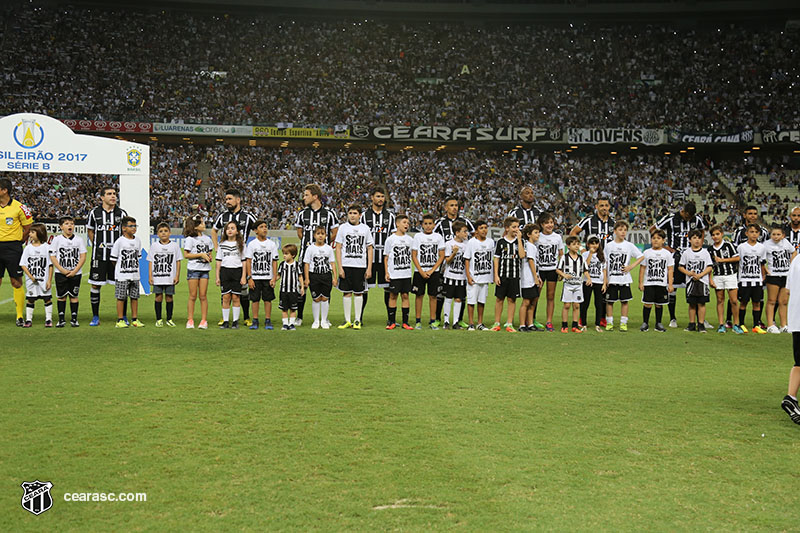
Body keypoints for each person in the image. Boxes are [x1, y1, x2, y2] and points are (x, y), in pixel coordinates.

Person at [652, 202, 707, 328]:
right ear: (683, 211)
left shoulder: (696, 219)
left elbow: (702, 230)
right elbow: (653, 229)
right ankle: (673, 318)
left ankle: (700, 320)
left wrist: (700, 244)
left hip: (692, 257)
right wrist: (665, 247)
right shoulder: (671, 219)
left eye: (690, 217)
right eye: (687, 216)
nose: (688, 219)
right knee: (673, 287)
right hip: (675, 257)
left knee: (696, 287)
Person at [295, 184, 339, 327]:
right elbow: (300, 232)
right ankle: (299, 317)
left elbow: (335, 232)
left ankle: (324, 318)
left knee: (325, 285)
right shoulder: (302, 214)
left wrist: (324, 244)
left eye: (306, 195)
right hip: (305, 256)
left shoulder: (329, 214)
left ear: (315, 196)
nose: (304, 197)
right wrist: (309, 245)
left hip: (323, 257)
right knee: (302, 285)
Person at [211, 189, 257, 326]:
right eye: (226, 199)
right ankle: (224, 317)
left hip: (241, 257)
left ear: (238, 200)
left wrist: (253, 247)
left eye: (230, 199)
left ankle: (246, 317)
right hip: (227, 257)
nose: (227, 202)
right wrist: (216, 247)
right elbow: (214, 230)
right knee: (225, 291)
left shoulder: (248, 216)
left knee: (242, 290)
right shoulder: (223, 216)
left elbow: (258, 228)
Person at [87, 186, 128, 327]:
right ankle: (95, 316)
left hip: (117, 258)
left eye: (114, 194)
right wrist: (98, 245)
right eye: (109, 194)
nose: (113, 196)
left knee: (122, 285)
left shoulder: (122, 214)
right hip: (99, 256)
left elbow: (126, 233)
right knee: (95, 285)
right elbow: (91, 232)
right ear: (102, 197)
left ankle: (123, 316)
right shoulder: (94, 213)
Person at [434, 196, 475, 324]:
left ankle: (459, 319)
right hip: (446, 263)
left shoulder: (465, 221)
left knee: (461, 293)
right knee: (441, 292)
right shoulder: (441, 222)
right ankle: (438, 318)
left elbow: (473, 235)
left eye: (456, 205)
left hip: (462, 264)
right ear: (446, 208)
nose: (454, 208)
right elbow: (434, 237)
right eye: (451, 205)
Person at [360, 187, 396, 323]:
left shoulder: (390, 217)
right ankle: (359, 317)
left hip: (384, 259)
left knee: (388, 289)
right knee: (364, 289)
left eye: (382, 196)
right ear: (372, 198)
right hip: (367, 259)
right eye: (378, 196)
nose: (380, 199)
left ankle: (390, 319)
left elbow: (393, 238)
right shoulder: (364, 216)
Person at [335, 205, 374, 330]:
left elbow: (369, 248)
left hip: (360, 266)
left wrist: (369, 268)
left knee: (359, 293)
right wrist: (340, 267)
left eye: (355, 213)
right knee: (346, 293)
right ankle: (347, 320)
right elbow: (338, 247)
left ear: (360, 215)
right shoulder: (342, 228)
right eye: (350, 213)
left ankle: (357, 320)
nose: (352, 215)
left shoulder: (365, 229)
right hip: (346, 265)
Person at [0, 177, 33, 326]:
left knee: (16, 281)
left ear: (4, 190)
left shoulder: (20, 207)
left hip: (13, 248)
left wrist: (18, 241)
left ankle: (19, 316)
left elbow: (28, 227)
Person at [603, 220, 644, 332]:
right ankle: (610, 322)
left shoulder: (629, 245)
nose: (623, 232)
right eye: (620, 230)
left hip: (624, 279)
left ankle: (623, 323)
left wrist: (631, 266)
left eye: (625, 230)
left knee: (625, 301)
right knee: (610, 301)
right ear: (615, 231)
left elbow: (641, 257)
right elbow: (605, 263)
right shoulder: (608, 246)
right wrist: (605, 279)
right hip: (612, 279)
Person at [49, 216, 86, 328]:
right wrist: (62, 270)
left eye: (71, 223)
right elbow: (52, 256)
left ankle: (74, 319)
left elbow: (83, 256)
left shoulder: (79, 240)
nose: (70, 225)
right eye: (66, 223)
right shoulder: (56, 240)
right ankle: (61, 319)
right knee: (61, 296)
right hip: (61, 273)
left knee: (74, 296)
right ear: (61, 227)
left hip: (76, 273)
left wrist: (75, 270)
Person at [707, 225, 743, 334]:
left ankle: (736, 324)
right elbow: (709, 266)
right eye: (713, 235)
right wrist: (710, 279)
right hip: (717, 276)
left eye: (717, 234)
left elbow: (737, 258)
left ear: (722, 234)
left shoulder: (728, 245)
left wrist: (723, 260)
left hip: (730, 275)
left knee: (733, 300)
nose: (715, 237)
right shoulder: (710, 249)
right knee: (720, 300)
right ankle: (721, 324)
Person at [412, 213, 445, 329]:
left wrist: (432, 270)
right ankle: (418, 321)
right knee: (419, 295)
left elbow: (441, 256)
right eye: (425, 224)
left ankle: (432, 320)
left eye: (430, 224)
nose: (428, 226)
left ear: (434, 225)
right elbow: (414, 255)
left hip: (434, 272)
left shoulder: (438, 237)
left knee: (433, 296)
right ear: (422, 225)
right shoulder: (417, 237)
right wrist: (421, 271)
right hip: (419, 272)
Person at [109, 216, 144, 328]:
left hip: (135, 274)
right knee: (121, 297)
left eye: (135, 226)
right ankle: (120, 320)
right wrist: (121, 269)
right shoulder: (119, 241)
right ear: (124, 228)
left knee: (134, 297)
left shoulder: (137, 240)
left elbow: (138, 256)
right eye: (131, 226)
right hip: (122, 275)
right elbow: (113, 259)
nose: (134, 228)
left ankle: (134, 319)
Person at [492, 216, 524, 332]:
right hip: (502, 275)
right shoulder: (501, 242)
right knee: (499, 299)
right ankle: (497, 323)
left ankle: (509, 323)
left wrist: (520, 240)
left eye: (518, 227)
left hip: (514, 276)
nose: (516, 229)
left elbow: (521, 255)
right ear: (507, 228)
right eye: (514, 227)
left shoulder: (520, 241)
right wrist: (495, 275)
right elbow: (496, 259)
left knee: (512, 300)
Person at [245, 220, 279, 330]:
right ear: (255, 230)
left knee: (267, 299)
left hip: (267, 277)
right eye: (261, 227)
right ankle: (255, 320)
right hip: (255, 277)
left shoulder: (271, 244)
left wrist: (274, 277)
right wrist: (249, 277)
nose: (264, 229)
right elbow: (248, 261)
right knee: (255, 299)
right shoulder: (252, 244)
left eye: (265, 226)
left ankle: (267, 320)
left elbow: (274, 261)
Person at [678, 229, 714, 333]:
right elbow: (681, 266)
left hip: (703, 282)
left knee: (702, 303)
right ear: (689, 240)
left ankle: (701, 324)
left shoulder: (705, 252)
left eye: (699, 238)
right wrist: (688, 273)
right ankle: (692, 324)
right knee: (692, 304)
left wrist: (700, 275)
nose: (697, 240)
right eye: (694, 238)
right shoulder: (686, 253)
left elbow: (710, 267)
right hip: (691, 282)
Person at [638, 229, 673, 333]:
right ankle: (645, 323)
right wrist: (641, 282)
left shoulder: (667, 253)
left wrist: (670, 284)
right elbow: (643, 268)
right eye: (654, 238)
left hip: (661, 283)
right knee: (647, 303)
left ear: (663, 240)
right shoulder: (646, 252)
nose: (656, 240)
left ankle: (658, 323)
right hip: (649, 282)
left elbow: (670, 269)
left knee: (659, 304)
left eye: (658, 238)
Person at [383, 214, 414, 330]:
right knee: (393, 295)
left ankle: (405, 322)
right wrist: (386, 272)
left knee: (405, 295)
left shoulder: (410, 240)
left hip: (406, 273)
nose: (407, 225)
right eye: (404, 222)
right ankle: (392, 322)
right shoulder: (390, 239)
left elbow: (413, 256)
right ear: (397, 224)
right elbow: (386, 257)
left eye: (408, 223)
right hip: (394, 273)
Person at [19, 223, 53, 327]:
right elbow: (23, 264)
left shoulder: (47, 247)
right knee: (30, 299)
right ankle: (29, 320)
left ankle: (48, 319)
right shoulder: (28, 248)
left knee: (47, 298)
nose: (30, 234)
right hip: (31, 280)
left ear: (40, 233)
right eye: (30, 232)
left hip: (44, 279)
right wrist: (30, 276)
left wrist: (49, 280)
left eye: (32, 232)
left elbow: (51, 265)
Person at [764, 224, 796, 333]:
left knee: (784, 301)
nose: (776, 236)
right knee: (772, 300)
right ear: (770, 235)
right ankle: (770, 325)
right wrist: (765, 269)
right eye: (773, 234)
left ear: (783, 235)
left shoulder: (786, 243)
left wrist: (791, 265)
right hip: (773, 275)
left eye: (778, 234)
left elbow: (794, 252)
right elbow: (761, 258)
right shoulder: (766, 245)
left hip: (785, 275)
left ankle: (784, 325)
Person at [303, 226, 337, 330]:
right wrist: (307, 278)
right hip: (314, 275)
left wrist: (335, 277)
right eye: (318, 234)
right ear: (314, 236)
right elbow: (307, 264)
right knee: (316, 298)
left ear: (326, 236)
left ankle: (324, 320)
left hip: (326, 275)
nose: (320, 236)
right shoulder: (310, 248)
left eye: (322, 234)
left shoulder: (329, 248)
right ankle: (316, 320)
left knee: (325, 298)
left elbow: (332, 263)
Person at [737, 223, 768, 334]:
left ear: (759, 234)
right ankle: (741, 324)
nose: (754, 234)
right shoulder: (741, 247)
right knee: (743, 302)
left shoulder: (762, 247)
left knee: (757, 303)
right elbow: (737, 262)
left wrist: (763, 276)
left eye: (756, 232)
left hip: (757, 280)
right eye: (751, 232)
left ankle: (756, 325)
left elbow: (762, 263)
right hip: (744, 279)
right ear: (746, 233)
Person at [148, 222, 181, 328]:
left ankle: (169, 319)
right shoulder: (154, 246)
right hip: (157, 277)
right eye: (161, 231)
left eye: (166, 231)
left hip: (170, 277)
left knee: (169, 297)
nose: (163, 233)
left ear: (170, 233)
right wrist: (150, 276)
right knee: (158, 297)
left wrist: (177, 276)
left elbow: (178, 261)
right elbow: (150, 261)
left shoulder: (175, 246)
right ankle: (158, 319)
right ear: (157, 234)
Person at [463, 220, 494, 331]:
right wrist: (468, 275)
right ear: (476, 231)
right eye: (481, 228)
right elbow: (467, 259)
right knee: (471, 301)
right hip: (474, 277)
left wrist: (493, 275)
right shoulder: (472, 242)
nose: (484, 230)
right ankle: (471, 323)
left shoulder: (491, 242)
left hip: (485, 277)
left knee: (482, 301)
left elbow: (492, 259)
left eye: (485, 227)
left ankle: (480, 323)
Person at [183, 215, 213, 330]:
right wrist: (200, 255)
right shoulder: (190, 239)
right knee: (192, 296)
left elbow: (210, 254)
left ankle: (204, 320)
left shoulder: (208, 239)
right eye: (201, 223)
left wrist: (208, 258)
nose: (204, 224)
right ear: (195, 226)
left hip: (205, 270)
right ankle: (190, 320)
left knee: (203, 296)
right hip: (194, 270)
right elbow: (186, 255)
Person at [780, 254, 800, 424]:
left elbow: (788, 290)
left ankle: (791, 398)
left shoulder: (796, 260)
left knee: (799, 362)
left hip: (796, 320)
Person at [216, 221, 246, 329]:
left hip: (237, 271)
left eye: (232, 228)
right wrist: (217, 276)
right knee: (226, 297)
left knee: (236, 297)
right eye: (228, 228)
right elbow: (218, 261)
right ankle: (225, 321)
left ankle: (235, 321)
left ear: (237, 231)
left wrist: (243, 276)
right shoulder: (222, 245)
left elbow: (244, 261)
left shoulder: (241, 245)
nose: (230, 230)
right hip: (225, 272)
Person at [536, 212, 563, 332]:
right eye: (547, 223)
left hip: (552, 269)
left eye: (551, 222)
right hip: (540, 270)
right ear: (541, 224)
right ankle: (531, 319)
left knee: (550, 296)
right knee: (535, 296)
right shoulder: (537, 236)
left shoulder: (557, 237)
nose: (549, 225)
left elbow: (561, 254)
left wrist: (561, 270)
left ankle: (549, 321)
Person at [556, 235, 589, 333]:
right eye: (574, 244)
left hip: (578, 286)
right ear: (568, 246)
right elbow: (558, 269)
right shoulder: (564, 258)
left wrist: (589, 279)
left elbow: (585, 270)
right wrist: (564, 275)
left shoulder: (581, 258)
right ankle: (564, 325)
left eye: (578, 244)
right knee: (567, 305)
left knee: (577, 305)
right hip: (568, 285)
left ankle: (575, 326)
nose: (576, 246)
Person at [441, 221, 469, 329]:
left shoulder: (467, 245)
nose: (466, 233)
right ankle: (446, 321)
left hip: (461, 277)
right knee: (448, 298)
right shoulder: (449, 244)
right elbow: (447, 261)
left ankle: (455, 322)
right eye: (464, 231)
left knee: (458, 299)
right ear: (457, 233)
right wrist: (454, 252)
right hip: (450, 277)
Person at [518, 223, 542, 333]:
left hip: (533, 277)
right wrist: (535, 278)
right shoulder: (529, 246)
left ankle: (530, 323)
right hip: (528, 278)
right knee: (526, 302)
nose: (538, 235)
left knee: (532, 302)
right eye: (536, 232)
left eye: (538, 232)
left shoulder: (533, 246)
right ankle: (522, 325)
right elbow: (531, 261)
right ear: (528, 234)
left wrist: (538, 276)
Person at [277, 244, 304, 331]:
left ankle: (291, 324)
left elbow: (300, 276)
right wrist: (274, 280)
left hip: (293, 291)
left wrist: (302, 287)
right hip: (283, 291)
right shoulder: (282, 265)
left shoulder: (296, 265)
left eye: (286, 254)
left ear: (293, 255)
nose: (284, 255)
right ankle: (285, 324)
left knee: (293, 308)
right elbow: (279, 275)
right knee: (284, 309)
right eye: (283, 253)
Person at [581, 236, 606, 332]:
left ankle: (597, 324)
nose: (594, 245)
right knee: (585, 303)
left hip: (599, 282)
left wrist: (604, 283)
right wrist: (590, 254)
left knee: (599, 304)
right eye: (592, 243)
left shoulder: (602, 255)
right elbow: (585, 266)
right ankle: (583, 324)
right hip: (587, 281)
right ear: (588, 245)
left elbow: (604, 270)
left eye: (596, 243)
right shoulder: (585, 254)